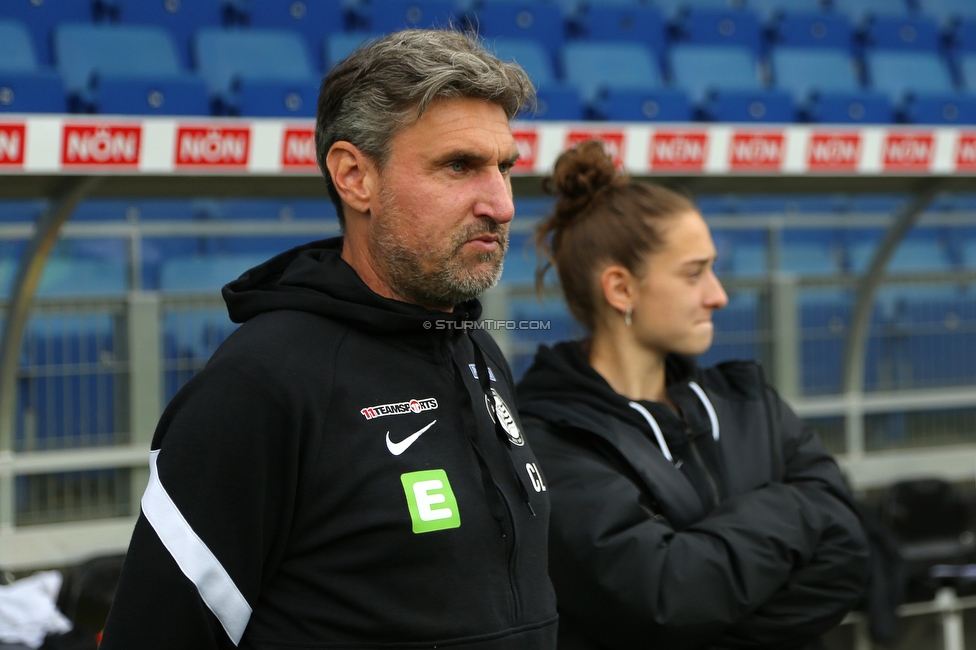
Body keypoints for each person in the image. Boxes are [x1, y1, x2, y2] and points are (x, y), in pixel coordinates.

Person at [101, 29, 558, 649]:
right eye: (459, 166)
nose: (501, 204)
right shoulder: (260, 385)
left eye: (504, 167)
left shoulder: (478, 354)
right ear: (354, 176)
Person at [516, 140, 870, 650]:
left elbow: (850, 555)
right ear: (621, 289)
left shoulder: (751, 403)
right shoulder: (549, 443)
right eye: (694, 272)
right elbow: (666, 594)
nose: (718, 294)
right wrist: (799, 507)